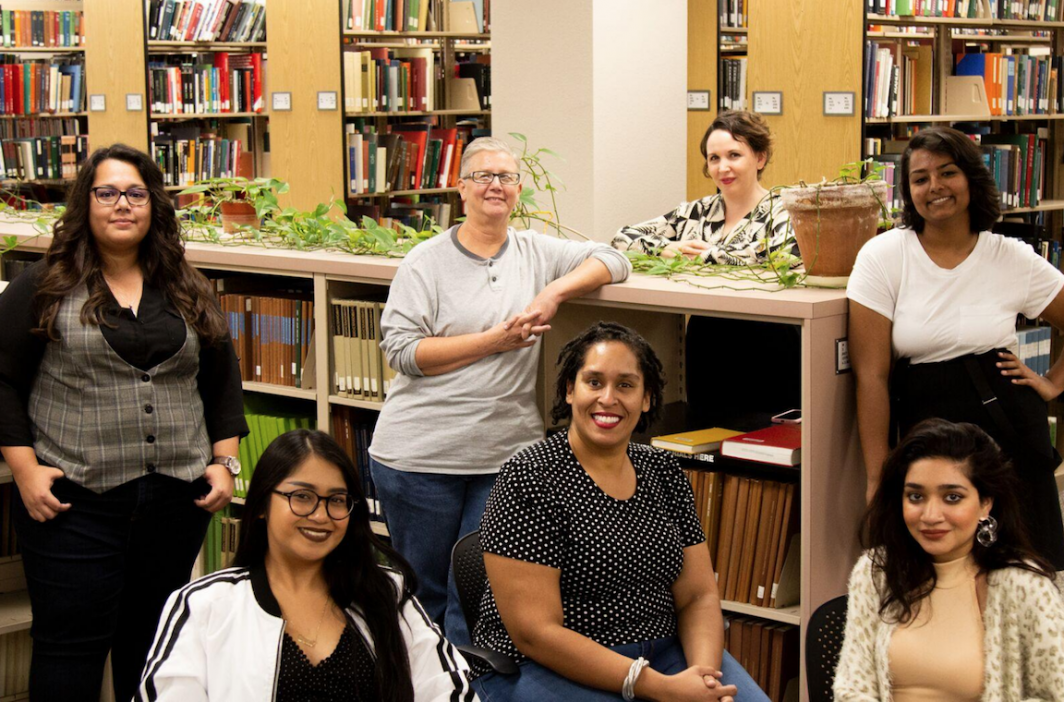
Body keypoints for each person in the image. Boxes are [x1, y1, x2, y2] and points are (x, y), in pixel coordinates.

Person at [0, 144, 247, 701]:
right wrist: (25, 471)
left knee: (155, 640)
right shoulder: (43, 286)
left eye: (135, 193)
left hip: (174, 502)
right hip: (73, 502)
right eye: (107, 192)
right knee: (71, 645)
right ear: (85, 203)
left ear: (153, 205)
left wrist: (224, 461)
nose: (122, 205)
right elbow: (1, 381)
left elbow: (221, 380)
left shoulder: (186, 285)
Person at [368, 136, 632, 644]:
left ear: (518, 191)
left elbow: (612, 259)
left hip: (502, 458)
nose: (496, 186)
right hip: (421, 460)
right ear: (460, 186)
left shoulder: (536, 252)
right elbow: (402, 352)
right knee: (425, 600)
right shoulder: (425, 262)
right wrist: (497, 340)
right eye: (484, 176)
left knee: (483, 597)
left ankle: (472, 690)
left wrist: (553, 291)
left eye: (507, 178)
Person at [471, 322, 768, 702]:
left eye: (626, 385)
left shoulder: (664, 471)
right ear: (569, 389)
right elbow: (535, 632)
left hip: (667, 655)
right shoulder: (531, 476)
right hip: (549, 665)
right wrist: (657, 688)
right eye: (593, 382)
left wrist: (704, 679)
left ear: (646, 398)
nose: (608, 398)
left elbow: (698, 597)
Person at [847, 125, 1064, 570]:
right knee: (939, 573)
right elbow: (871, 375)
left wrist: (1052, 384)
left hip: (1008, 434)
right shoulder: (884, 256)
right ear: (908, 191)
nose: (935, 187)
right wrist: (877, 474)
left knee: (1020, 576)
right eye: (920, 178)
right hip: (927, 435)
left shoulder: (1010, 257)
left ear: (971, 178)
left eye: (947, 173)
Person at [136, 429, 477, 701]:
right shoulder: (205, 605)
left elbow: (447, 690)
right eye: (301, 496)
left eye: (336, 500)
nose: (320, 515)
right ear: (261, 505)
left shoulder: (388, 594)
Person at [833, 418, 1064, 700]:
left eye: (952, 497)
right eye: (916, 496)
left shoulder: (1026, 586)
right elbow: (851, 688)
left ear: (985, 503)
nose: (930, 515)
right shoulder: (876, 571)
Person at [611, 110, 799, 425]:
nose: (722, 167)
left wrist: (708, 254)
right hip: (708, 338)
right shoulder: (696, 213)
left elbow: (779, 254)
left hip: (770, 340)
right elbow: (622, 238)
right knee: (706, 431)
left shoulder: (783, 209)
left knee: (766, 438)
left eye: (734, 155)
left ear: (760, 158)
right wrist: (666, 247)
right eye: (714, 158)